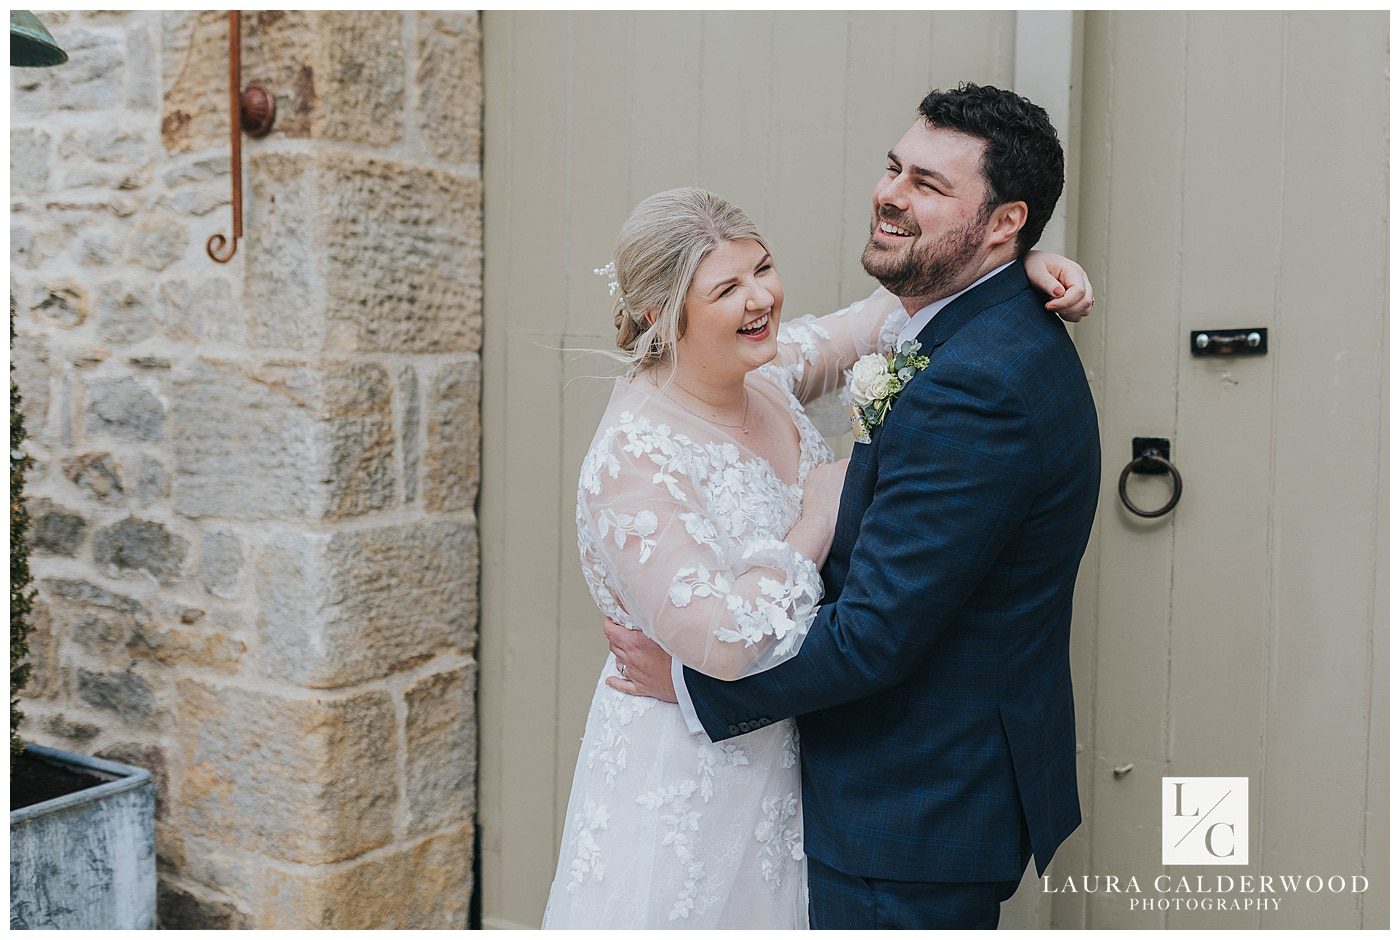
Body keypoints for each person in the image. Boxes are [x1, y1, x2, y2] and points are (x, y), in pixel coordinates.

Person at [605, 83, 1102, 929]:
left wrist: (692, 691)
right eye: (893, 168)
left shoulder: (976, 382)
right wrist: (1020, 264)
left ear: (1002, 220)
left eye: (929, 186)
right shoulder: (977, 326)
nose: (891, 195)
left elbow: (875, 636)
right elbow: (848, 333)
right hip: (889, 784)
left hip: (909, 809)